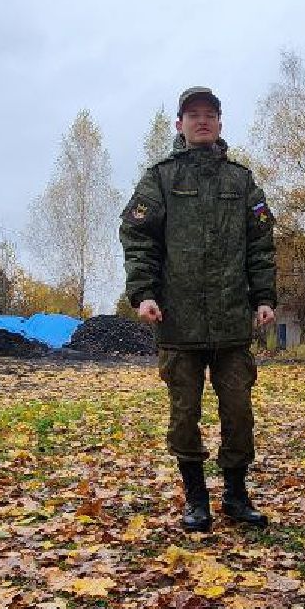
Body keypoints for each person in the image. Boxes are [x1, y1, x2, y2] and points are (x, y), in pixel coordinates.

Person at [121, 86, 278, 532]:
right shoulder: (160, 179)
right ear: (180, 125)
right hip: (178, 321)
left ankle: (235, 495)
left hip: (231, 321)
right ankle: (195, 497)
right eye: (193, 115)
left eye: (210, 114)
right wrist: (144, 293)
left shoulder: (242, 181)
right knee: (184, 414)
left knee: (238, 413)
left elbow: (261, 245)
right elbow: (138, 239)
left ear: (220, 124)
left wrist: (264, 298)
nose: (202, 121)